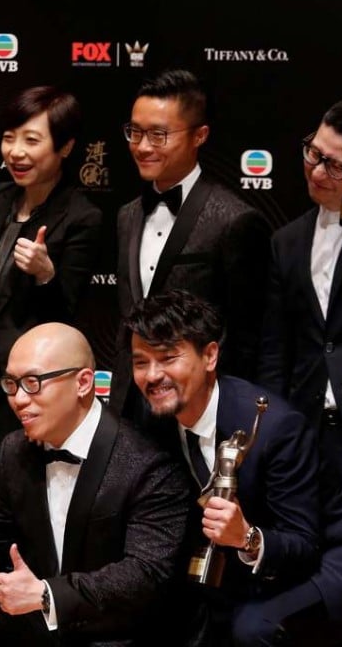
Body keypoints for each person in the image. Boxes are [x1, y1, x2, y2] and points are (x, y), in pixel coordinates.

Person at [0, 322, 194, 645]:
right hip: (42, 624)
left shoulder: (147, 462)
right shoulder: (15, 449)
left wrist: (48, 594)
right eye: (11, 384)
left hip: (112, 631)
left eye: (33, 383)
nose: (18, 399)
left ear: (83, 383)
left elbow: (145, 574)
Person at [126, 289, 322, 644]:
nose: (152, 376)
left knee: (247, 630)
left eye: (168, 358)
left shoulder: (275, 428)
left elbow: (305, 545)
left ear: (210, 355)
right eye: (141, 362)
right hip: (202, 570)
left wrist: (247, 537)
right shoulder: (151, 416)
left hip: (277, 573)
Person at [0, 86, 102, 469]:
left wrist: (46, 275)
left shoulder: (82, 217)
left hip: (31, 383)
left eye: (31, 140)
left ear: (65, 147)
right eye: (9, 138)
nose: (15, 152)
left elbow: (67, 317)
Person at [110, 68, 270, 422]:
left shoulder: (234, 220)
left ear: (200, 135)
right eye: (135, 132)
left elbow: (245, 337)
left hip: (199, 407)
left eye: (159, 135)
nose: (142, 146)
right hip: (130, 406)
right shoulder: (126, 215)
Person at [258, 97, 342, 528]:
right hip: (305, 436)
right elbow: (276, 351)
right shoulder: (286, 241)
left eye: (337, 166)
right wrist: (271, 430)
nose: (317, 172)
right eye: (314, 154)